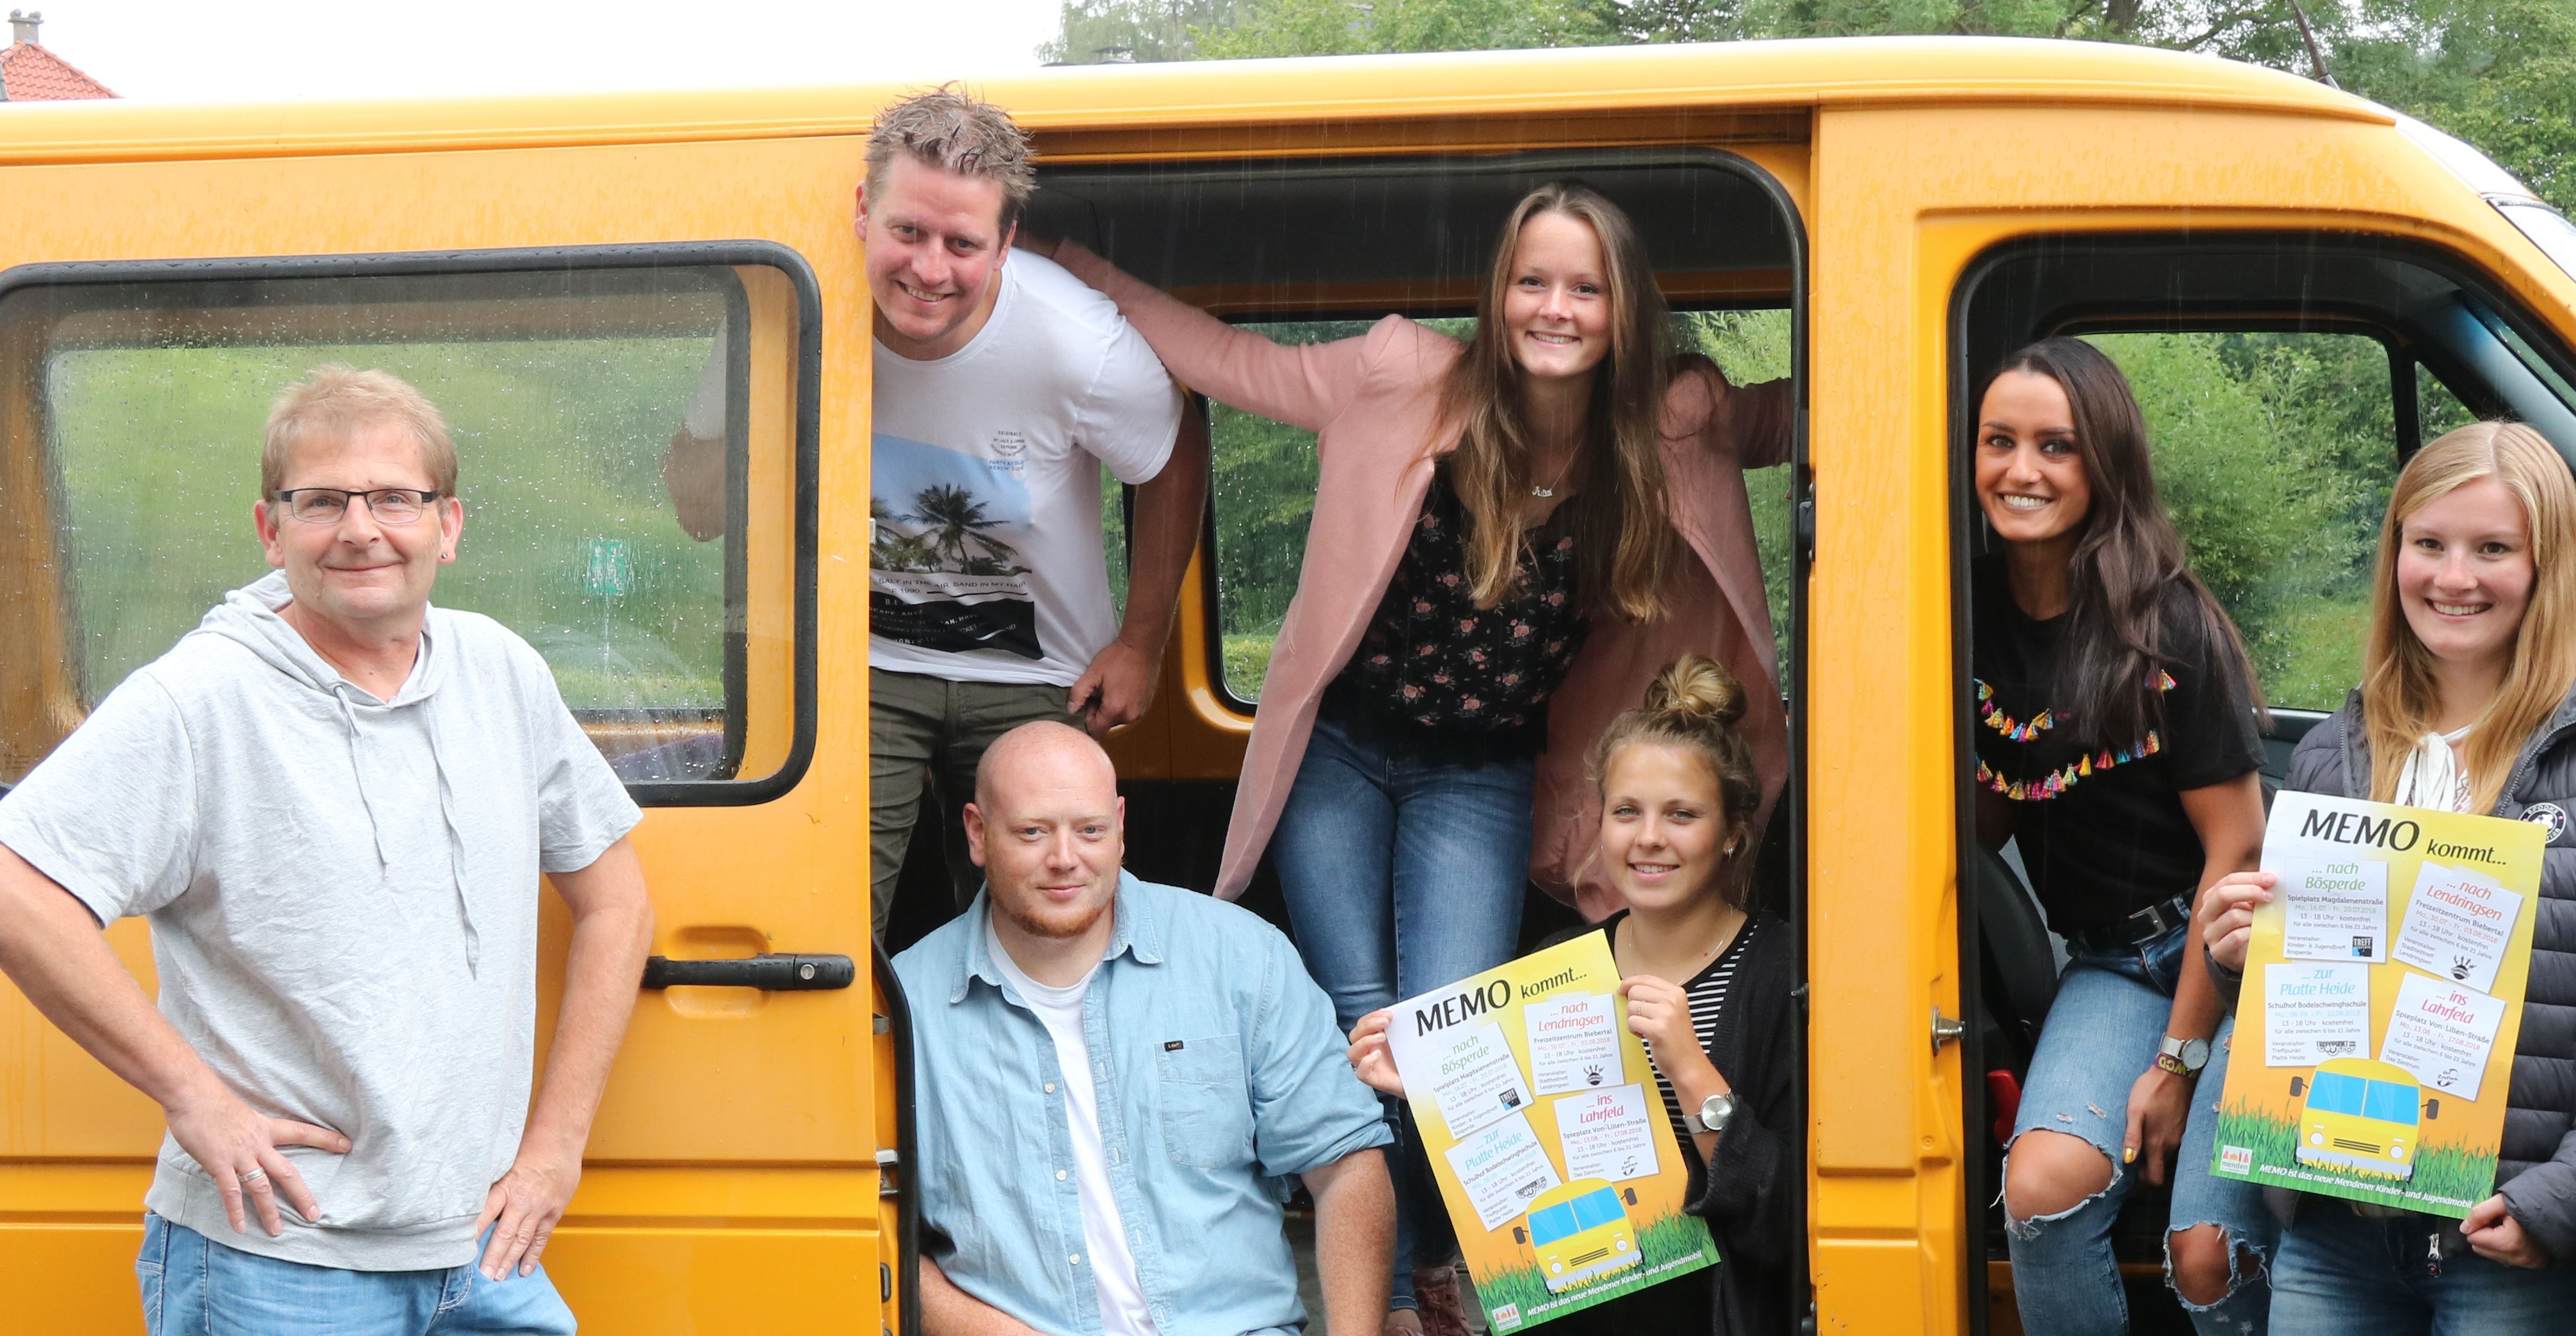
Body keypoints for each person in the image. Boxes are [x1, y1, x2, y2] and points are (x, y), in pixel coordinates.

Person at [1033, 181, 1789, 1331]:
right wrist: (1065, 258)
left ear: (1623, 309)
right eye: (1533, 280)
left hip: (1483, 771)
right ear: (1499, 295)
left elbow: (1809, 405)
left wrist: (1968, 365)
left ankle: (1441, 1254)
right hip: (1342, 750)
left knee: (1448, 1032)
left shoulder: (1672, 419)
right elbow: (1226, 357)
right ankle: (1379, 1298)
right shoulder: (1403, 375)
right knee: (1367, 1022)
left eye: (1584, 287)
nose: (1555, 307)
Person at [0, 367, 655, 1335]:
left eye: (394, 498)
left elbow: (616, 901)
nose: (360, 530)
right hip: (280, 1261)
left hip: (482, 1253)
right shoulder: (200, 700)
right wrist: (196, 1101)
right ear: (270, 531)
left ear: (448, 524)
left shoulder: (502, 672)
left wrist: (555, 1149)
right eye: (320, 502)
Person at [2195, 421, 2576, 1333]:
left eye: (2493, 549)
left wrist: (2566, 1200)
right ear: (2395, 553)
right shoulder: (2336, 753)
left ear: (2548, 565)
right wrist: (2239, 957)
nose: (2453, 577)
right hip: (2339, 1219)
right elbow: (2304, 997)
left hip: (2512, 1237)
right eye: (2428, 544)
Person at [679, 86, 1205, 936]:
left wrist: (1142, 642)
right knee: (829, 921)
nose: (929, 270)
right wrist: (744, 426)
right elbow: (697, 505)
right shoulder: (785, 307)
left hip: (1039, 670)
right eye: (908, 232)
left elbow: (1172, 452)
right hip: (860, 666)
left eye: (962, 243)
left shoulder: (1075, 339)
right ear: (862, 211)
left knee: (1051, 922)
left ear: (1005, 244)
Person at [1344, 654, 1801, 1336]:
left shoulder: (1782, 971)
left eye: (1681, 814)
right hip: (1570, 1307)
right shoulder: (1560, 963)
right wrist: (1435, 1091)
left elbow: (1795, 1224)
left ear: (1735, 830)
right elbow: (1522, 1182)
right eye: (1627, 811)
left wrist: (1690, 1069)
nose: (1649, 837)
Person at [896, 721, 1396, 1336]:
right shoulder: (903, 1007)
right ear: (977, 833)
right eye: (1032, 832)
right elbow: (866, 1226)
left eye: (1090, 830)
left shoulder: (1241, 956)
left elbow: (1345, 1163)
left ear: (1121, 826)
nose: (1065, 859)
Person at [1973, 338, 2276, 1335]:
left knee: (2205, 1254)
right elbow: (2004, 801)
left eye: (2056, 446)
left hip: (2230, 959)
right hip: (2107, 961)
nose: (2023, 471)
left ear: (2104, 462)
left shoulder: (2166, 622)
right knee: (2042, 1193)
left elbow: (2237, 852)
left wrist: (2179, 1064)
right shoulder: (1963, 614)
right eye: (1999, 442)